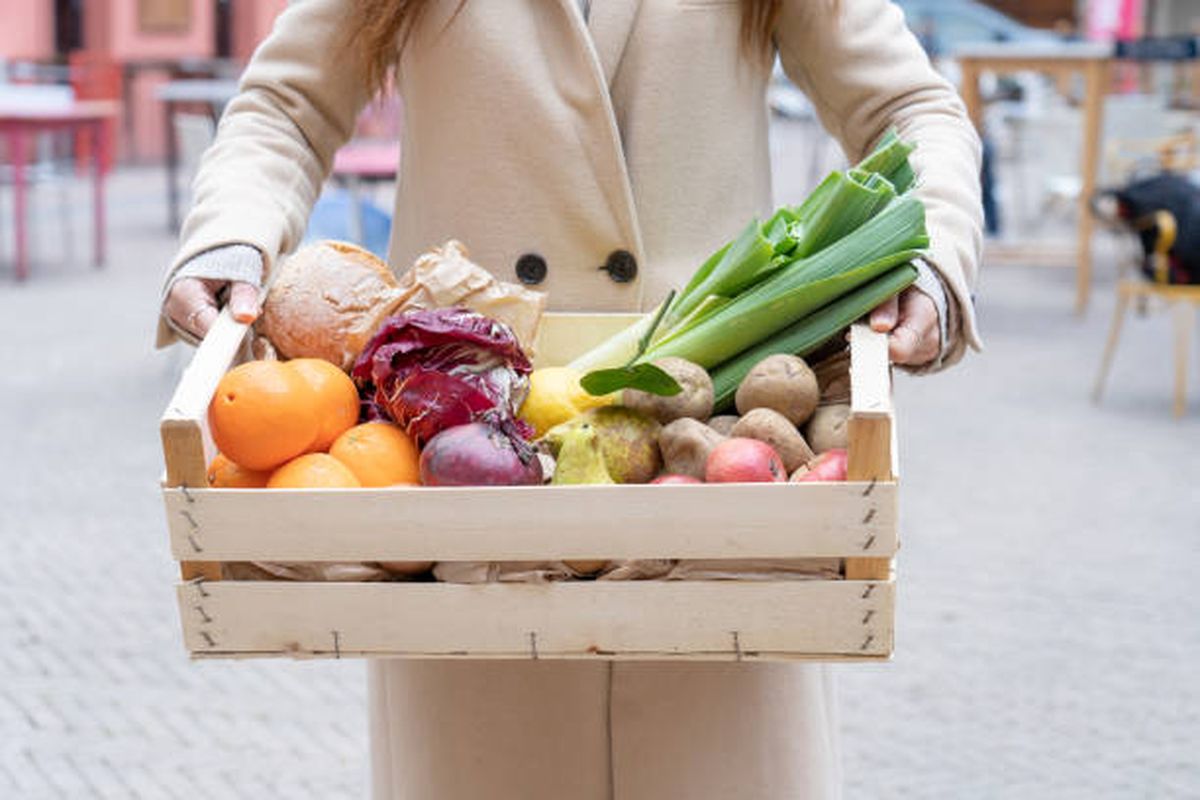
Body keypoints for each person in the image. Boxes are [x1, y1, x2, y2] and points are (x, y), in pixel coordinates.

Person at [159, 1, 982, 797]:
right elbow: (288, 106)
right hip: (468, 487)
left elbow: (908, 107)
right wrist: (232, 233)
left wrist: (935, 257)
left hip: (712, 477)